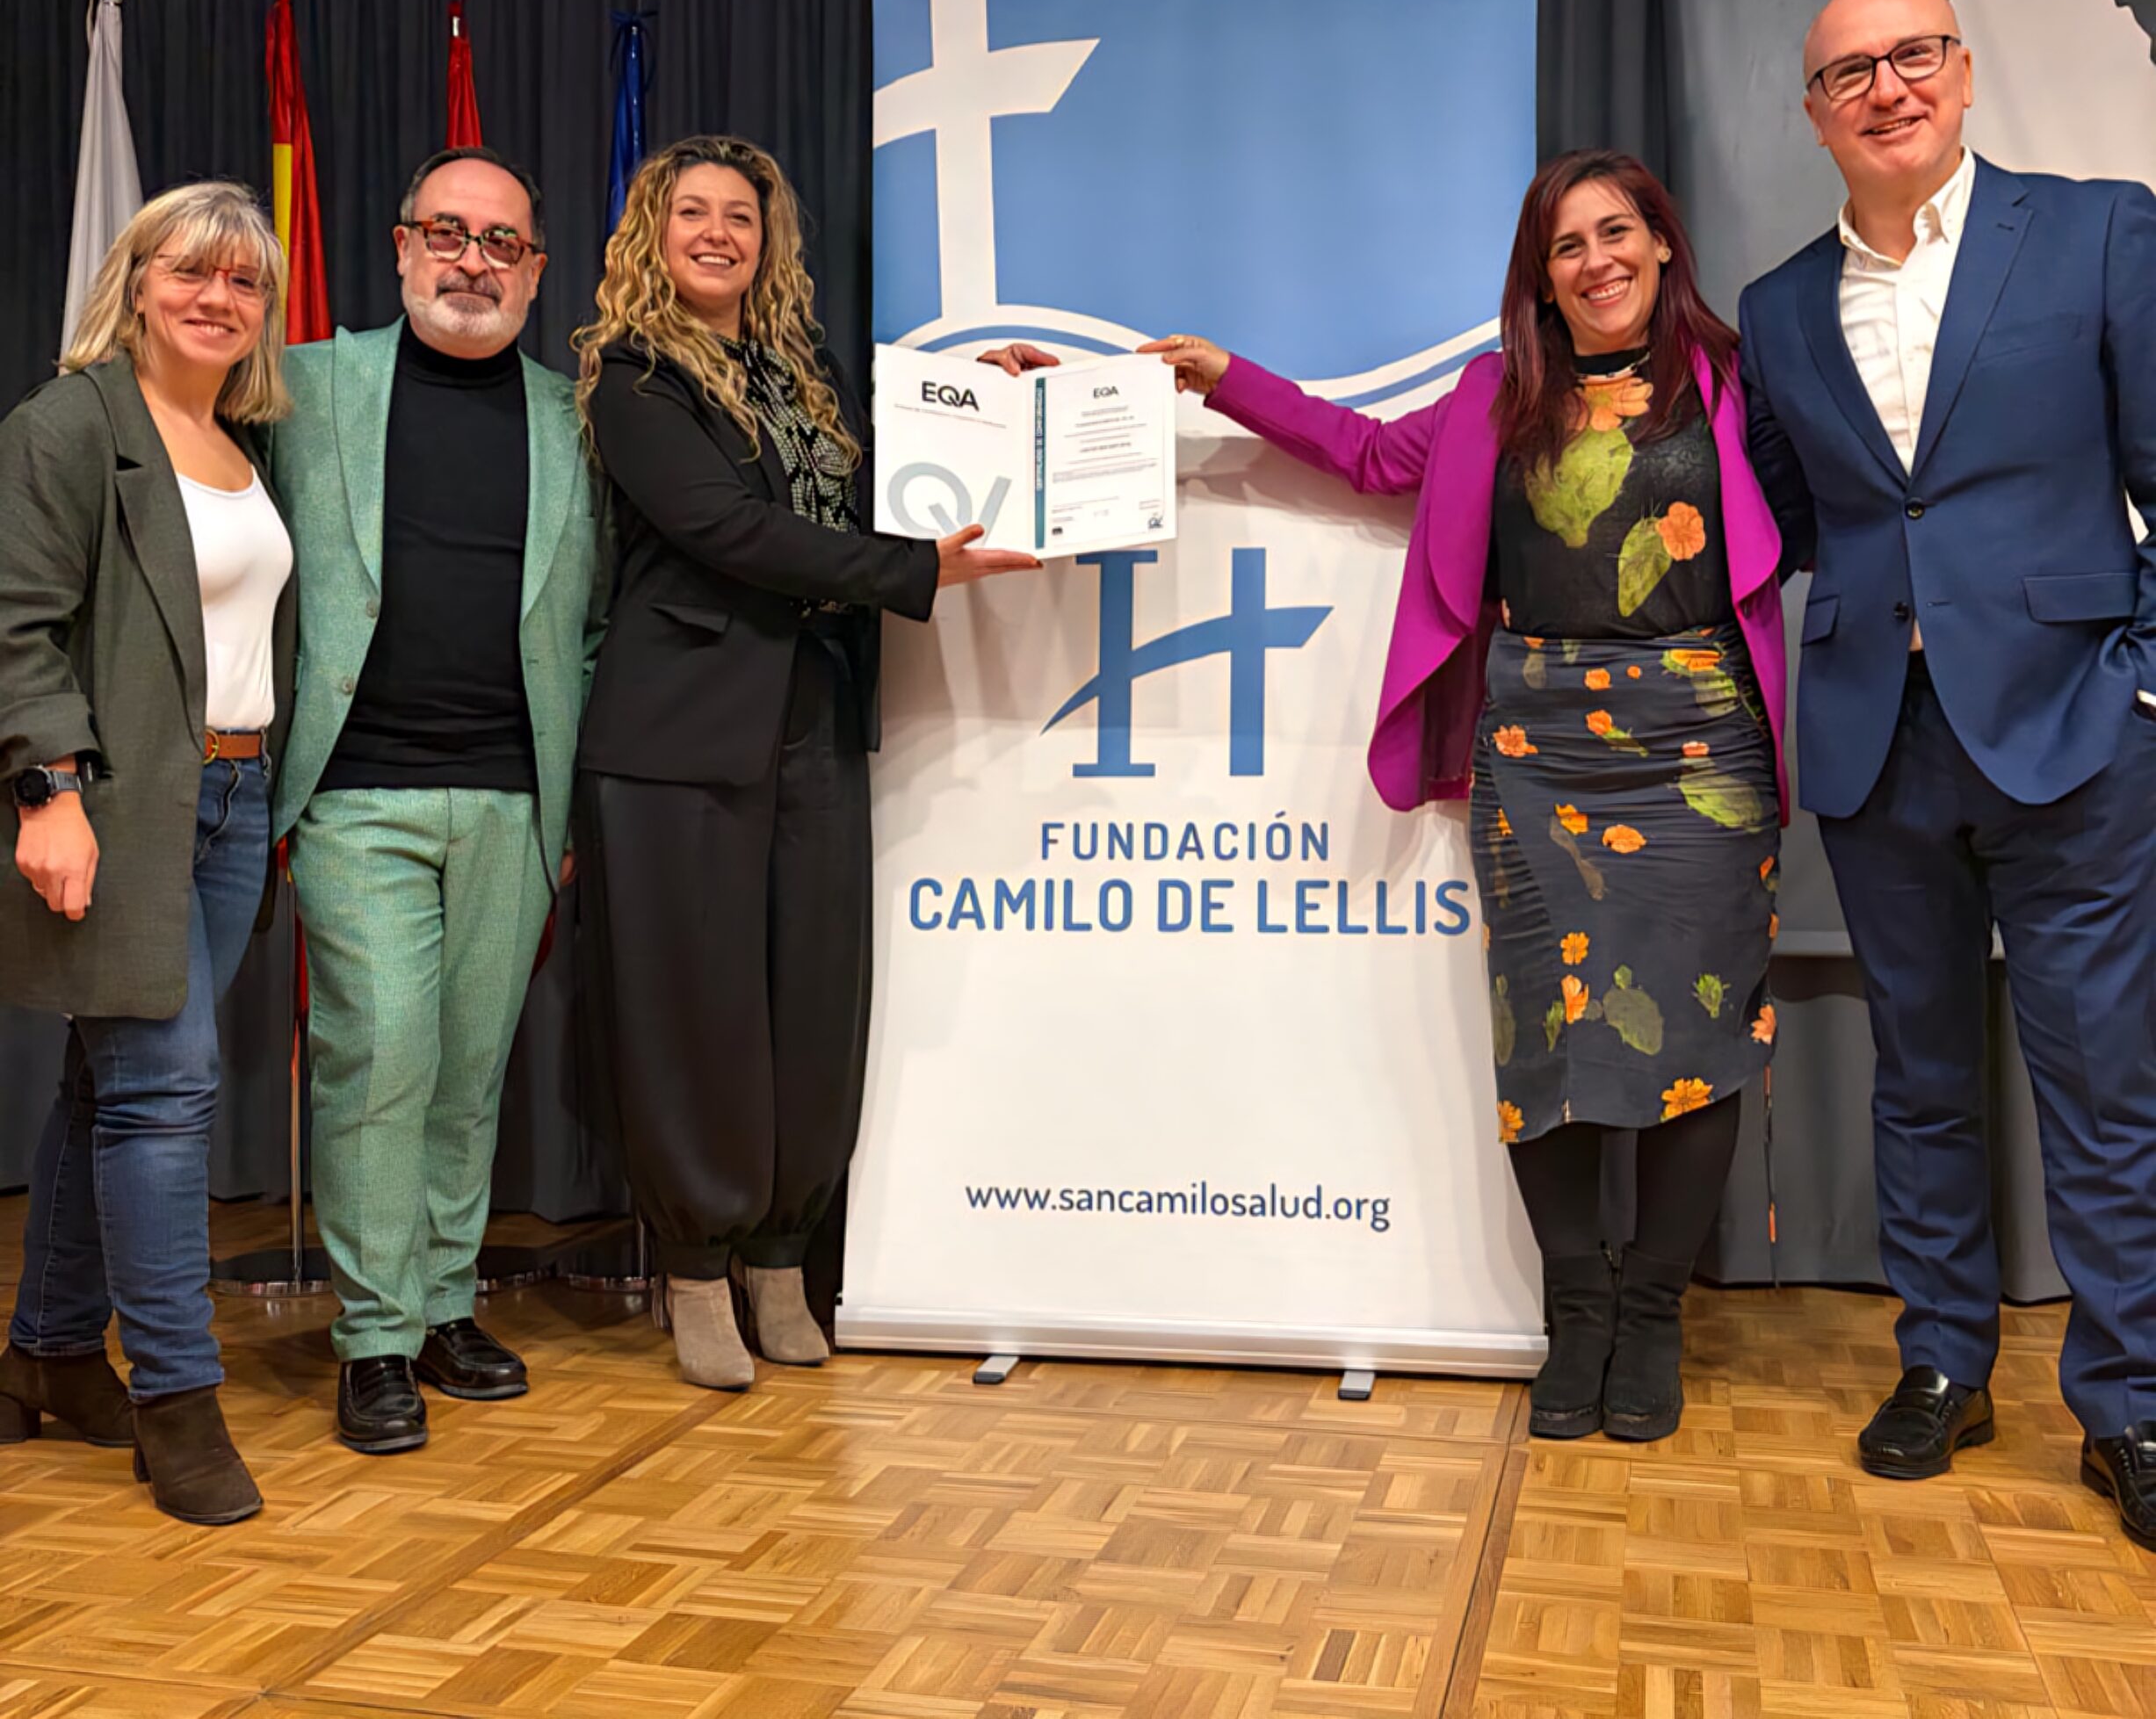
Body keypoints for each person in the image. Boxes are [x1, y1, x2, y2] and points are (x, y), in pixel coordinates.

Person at [1137, 152, 1790, 1441]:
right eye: (1566, 245)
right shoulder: (1498, 395)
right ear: (1539, 278)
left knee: (1701, 1035)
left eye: (1617, 233)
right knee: (1539, 1032)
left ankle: (1654, 1314)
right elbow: (1368, 454)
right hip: (1535, 747)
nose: (1596, 261)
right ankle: (1578, 1314)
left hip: (1702, 750)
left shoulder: (1731, 378)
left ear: (1662, 244)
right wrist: (1224, 377)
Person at [1740, 0, 2156, 1539]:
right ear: (1814, 114)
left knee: (2103, 1087)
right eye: (1848, 71)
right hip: (1876, 747)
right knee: (1917, 1080)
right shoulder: (1779, 307)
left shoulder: (2100, 232)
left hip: (2075, 736)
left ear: (1962, 73)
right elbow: (1792, 515)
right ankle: (1940, 1364)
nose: (1885, 88)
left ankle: (2131, 1403)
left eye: (1911, 55)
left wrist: (2141, 689)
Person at [573, 134, 1040, 1390]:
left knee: (811, 1000)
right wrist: (914, 573)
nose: (717, 233)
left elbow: (878, 483)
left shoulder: (800, 370)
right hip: (675, 736)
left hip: (811, 711)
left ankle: (781, 1256)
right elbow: (726, 529)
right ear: (652, 234)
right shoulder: (633, 374)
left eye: (741, 215)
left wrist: (983, 404)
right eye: (692, 212)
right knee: (695, 1012)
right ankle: (695, 1269)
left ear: (767, 239)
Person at [271, 147, 604, 1454]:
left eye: (501, 242)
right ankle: (372, 1338)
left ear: (536, 270)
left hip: (517, 803)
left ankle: (446, 1306)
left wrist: (569, 807)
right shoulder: (303, 385)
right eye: (449, 234)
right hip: (356, 794)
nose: (474, 261)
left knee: (468, 1073)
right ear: (403, 247)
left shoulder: (577, 419)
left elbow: (594, 624)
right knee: (381, 1059)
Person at [0, 183, 294, 1525]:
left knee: (105, 1081)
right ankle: (178, 1398)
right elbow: (16, 622)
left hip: (232, 802)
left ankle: (50, 1357)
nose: (216, 298)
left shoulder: (240, 440)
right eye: (191, 270)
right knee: (165, 1093)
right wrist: (45, 792)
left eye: (243, 280)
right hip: (116, 806)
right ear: (135, 281)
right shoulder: (69, 425)